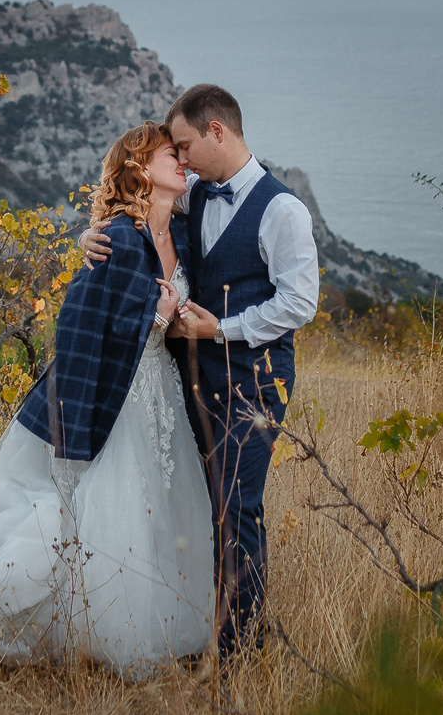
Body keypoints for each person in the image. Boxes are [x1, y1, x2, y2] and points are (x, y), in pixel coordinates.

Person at [0, 122, 215, 677]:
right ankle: (107, 631)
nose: (182, 161)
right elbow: (83, 325)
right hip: (116, 396)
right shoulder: (118, 238)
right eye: (169, 154)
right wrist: (157, 318)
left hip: (162, 392)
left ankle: (169, 624)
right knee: (115, 508)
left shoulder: (178, 232)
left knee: (163, 503)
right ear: (139, 168)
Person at [82, 83, 319, 656]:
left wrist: (222, 329)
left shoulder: (282, 210)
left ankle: (240, 646)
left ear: (217, 131)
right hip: (188, 381)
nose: (181, 159)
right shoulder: (194, 195)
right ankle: (193, 626)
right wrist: (91, 235)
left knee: (237, 504)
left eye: (186, 146)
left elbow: (299, 303)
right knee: (195, 502)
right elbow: (139, 210)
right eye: (176, 152)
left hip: (255, 381)